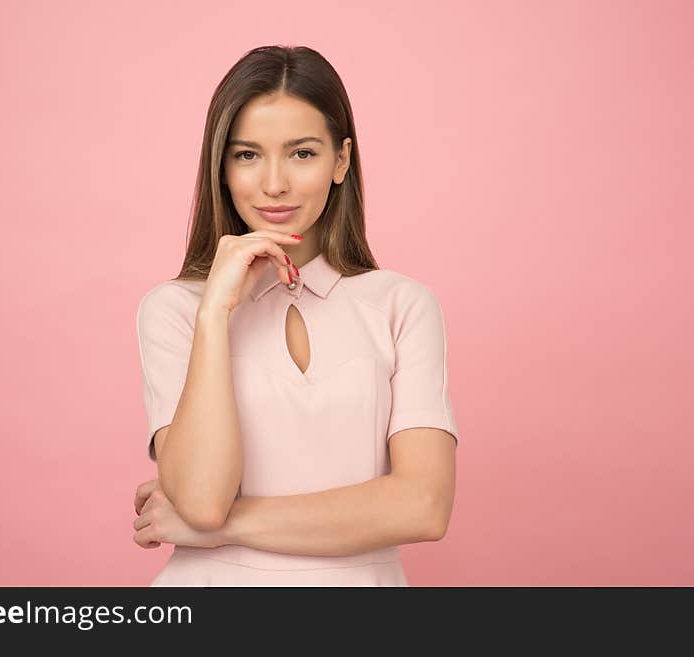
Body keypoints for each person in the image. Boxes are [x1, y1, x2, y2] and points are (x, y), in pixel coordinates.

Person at [131, 45, 459, 586]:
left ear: (342, 160)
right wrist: (215, 312)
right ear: (221, 166)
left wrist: (220, 529)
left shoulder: (401, 305)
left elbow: (422, 506)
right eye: (247, 154)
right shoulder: (177, 310)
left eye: (302, 153)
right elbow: (202, 500)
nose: (275, 183)